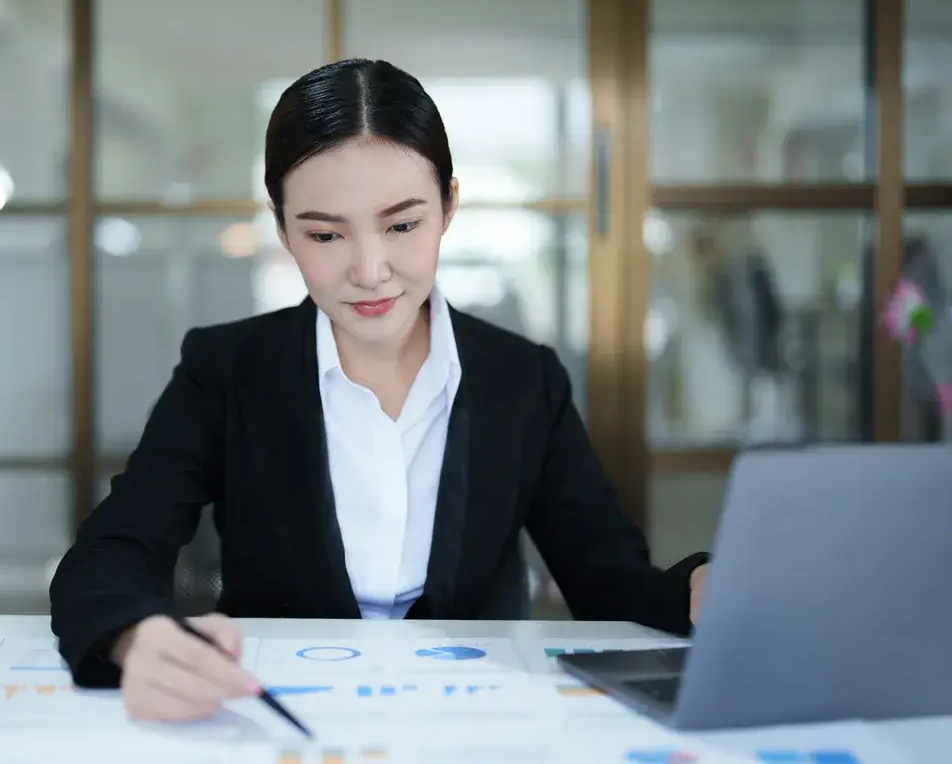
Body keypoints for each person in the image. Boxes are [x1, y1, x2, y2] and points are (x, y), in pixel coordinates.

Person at [49, 58, 711, 723]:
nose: (370, 271)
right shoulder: (227, 369)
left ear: (448, 205)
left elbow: (610, 581)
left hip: (468, 722)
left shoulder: (522, 380)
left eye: (402, 225)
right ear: (282, 228)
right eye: (325, 234)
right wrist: (134, 635)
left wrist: (698, 588)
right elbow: (111, 551)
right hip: (279, 719)